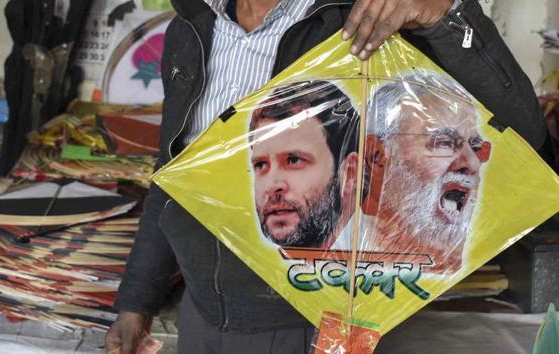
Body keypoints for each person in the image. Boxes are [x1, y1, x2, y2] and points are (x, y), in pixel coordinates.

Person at [106, 0, 546, 353]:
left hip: (315, 322)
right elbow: (172, 177)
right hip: (202, 313)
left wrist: (444, 14)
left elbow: (525, 134)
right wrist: (135, 302)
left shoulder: (364, 16)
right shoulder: (194, 26)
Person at [361, 73, 492, 273]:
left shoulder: (469, 262)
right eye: (444, 143)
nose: (472, 163)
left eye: (475, 146)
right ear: (376, 156)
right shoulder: (338, 252)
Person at [249, 80, 359, 249]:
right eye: (261, 165)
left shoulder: (394, 256)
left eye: (294, 160)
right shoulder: (246, 256)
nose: (272, 186)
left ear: (350, 172)